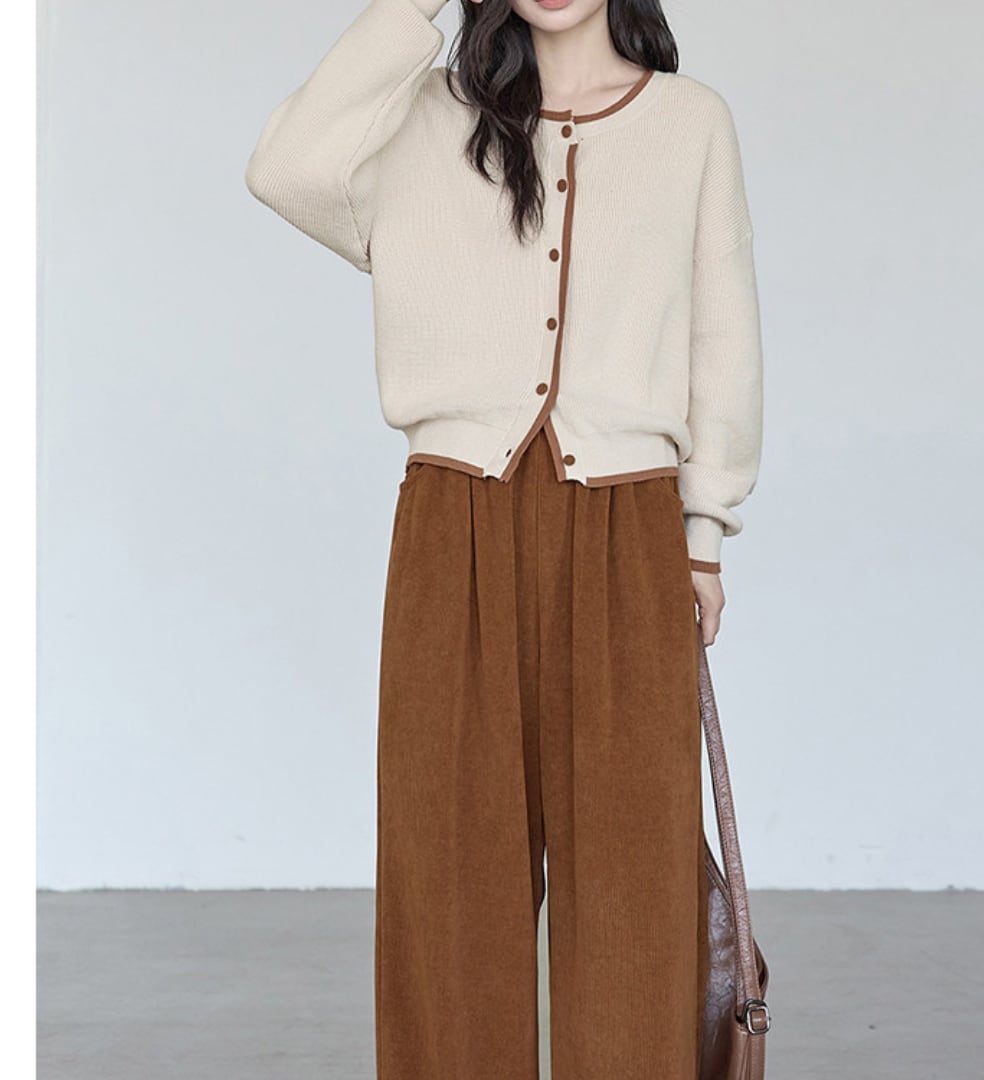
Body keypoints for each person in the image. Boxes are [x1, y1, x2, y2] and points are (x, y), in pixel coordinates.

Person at [244, 0, 763, 1075]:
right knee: (447, 881)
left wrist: (704, 532)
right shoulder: (421, 118)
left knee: (632, 890)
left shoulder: (691, 123)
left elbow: (723, 335)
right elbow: (285, 168)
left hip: (629, 529)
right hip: (454, 528)